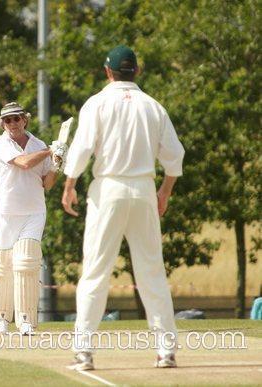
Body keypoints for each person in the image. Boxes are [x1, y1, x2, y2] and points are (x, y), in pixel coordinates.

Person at [62, 46, 185, 369]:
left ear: (108, 72)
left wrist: (70, 184)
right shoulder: (153, 107)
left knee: (95, 272)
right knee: (152, 271)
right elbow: (175, 156)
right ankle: (166, 350)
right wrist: (164, 192)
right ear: (137, 72)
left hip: (108, 190)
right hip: (144, 189)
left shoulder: (98, 103)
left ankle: (84, 351)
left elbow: (83, 147)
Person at [0, 102, 66, 335]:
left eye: (16, 118)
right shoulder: (0, 143)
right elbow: (23, 163)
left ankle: (25, 320)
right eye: (7, 120)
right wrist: (49, 152)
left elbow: (47, 184)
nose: (12, 123)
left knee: (26, 262)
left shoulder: (38, 144)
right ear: (2, 124)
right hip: (6, 213)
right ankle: (1, 318)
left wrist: (57, 165)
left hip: (34, 211)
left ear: (25, 120)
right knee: (4, 266)